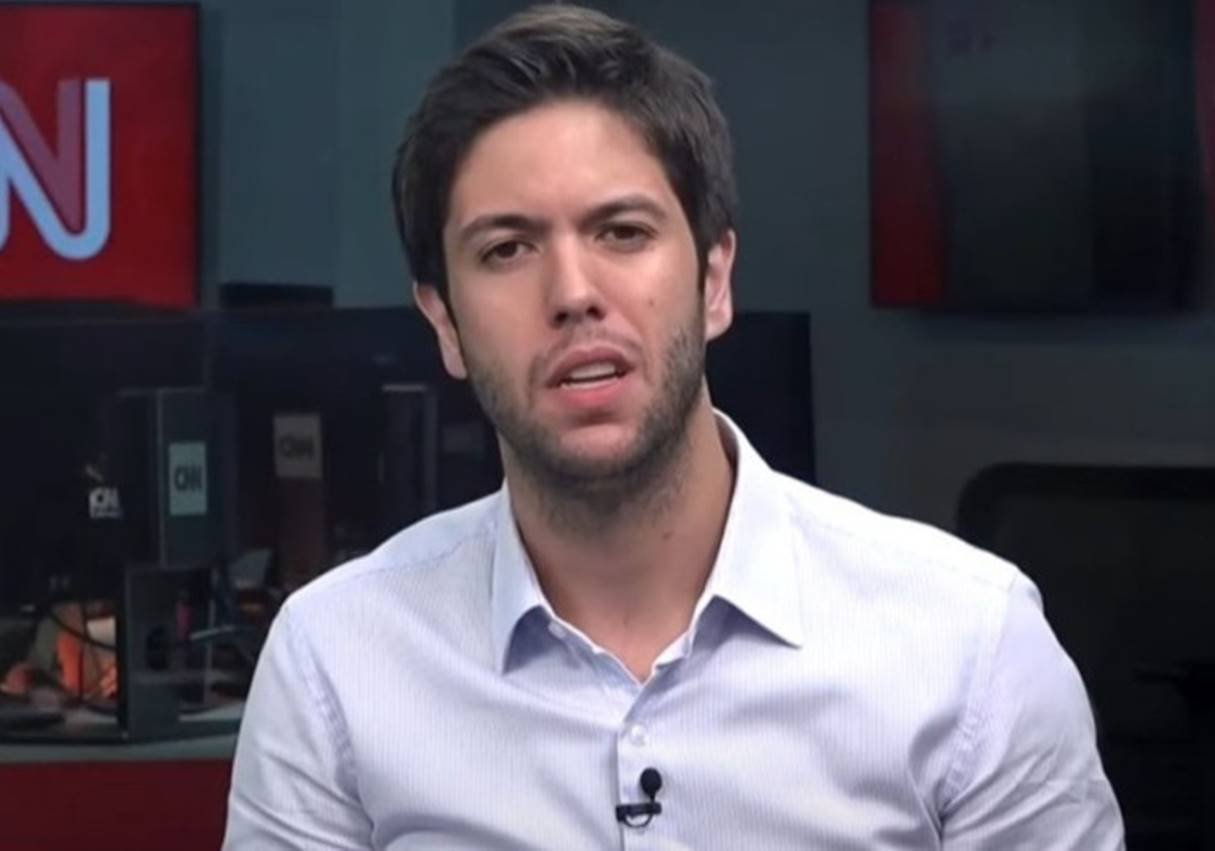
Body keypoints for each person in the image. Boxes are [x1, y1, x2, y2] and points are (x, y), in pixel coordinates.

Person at [223, 5, 1123, 848]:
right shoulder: (336, 661)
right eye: (507, 249)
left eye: (621, 231)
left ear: (715, 280)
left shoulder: (970, 644)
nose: (573, 293)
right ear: (445, 323)